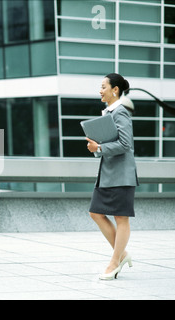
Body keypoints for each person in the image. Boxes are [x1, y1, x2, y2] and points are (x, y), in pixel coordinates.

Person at [86, 73, 139, 280]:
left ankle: (115, 262)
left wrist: (99, 146)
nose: (100, 90)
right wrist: (97, 148)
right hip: (108, 174)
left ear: (114, 90)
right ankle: (122, 254)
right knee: (95, 212)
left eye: (103, 86)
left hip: (121, 175)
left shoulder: (120, 113)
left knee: (121, 218)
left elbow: (126, 145)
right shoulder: (109, 112)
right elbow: (110, 145)